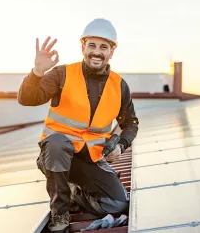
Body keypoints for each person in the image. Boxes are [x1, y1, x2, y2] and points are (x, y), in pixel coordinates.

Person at [18, 18, 139, 233]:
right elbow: (28, 98)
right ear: (83, 47)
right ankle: (60, 212)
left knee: (118, 204)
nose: (96, 52)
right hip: (55, 156)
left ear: (112, 52)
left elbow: (130, 123)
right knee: (56, 143)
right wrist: (37, 73)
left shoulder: (119, 86)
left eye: (104, 47)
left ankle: (75, 194)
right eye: (91, 45)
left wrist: (120, 145)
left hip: (90, 159)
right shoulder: (62, 74)